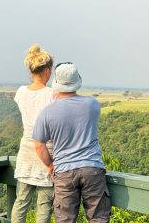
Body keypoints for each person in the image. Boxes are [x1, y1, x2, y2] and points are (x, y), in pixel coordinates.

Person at [33, 62, 111, 223]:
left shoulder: (47, 112)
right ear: (77, 81)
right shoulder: (93, 104)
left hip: (64, 172)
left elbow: (39, 144)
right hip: (92, 169)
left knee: (65, 220)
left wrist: (50, 165)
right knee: (98, 219)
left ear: (56, 83)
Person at [11, 45, 54, 223]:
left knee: (21, 201)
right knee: (44, 204)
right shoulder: (52, 94)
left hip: (26, 150)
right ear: (47, 71)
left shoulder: (21, 92)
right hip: (47, 151)